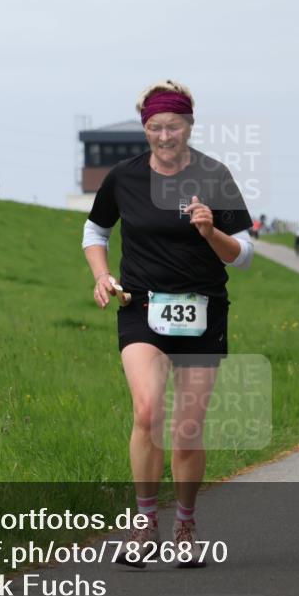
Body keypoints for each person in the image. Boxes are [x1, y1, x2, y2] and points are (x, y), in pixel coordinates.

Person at [81, 80, 254, 568]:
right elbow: (96, 230)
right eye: (155, 127)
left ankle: (185, 523)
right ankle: (143, 522)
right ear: (145, 128)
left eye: (173, 126)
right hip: (142, 309)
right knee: (146, 412)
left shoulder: (214, 175)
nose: (164, 136)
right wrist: (101, 275)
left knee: (188, 428)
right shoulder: (124, 177)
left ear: (189, 125)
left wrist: (210, 231)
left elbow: (244, 255)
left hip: (202, 312)